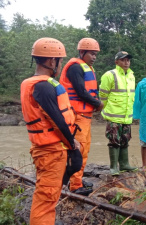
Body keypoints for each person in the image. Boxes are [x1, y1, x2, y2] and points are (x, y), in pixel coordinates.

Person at [21, 37, 81, 224]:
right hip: (50, 152)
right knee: (46, 198)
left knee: (49, 195)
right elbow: (57, 120)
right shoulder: (43, 87)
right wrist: (72, 143)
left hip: (49, 150)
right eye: (60, 60)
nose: (61, 64)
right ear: (51, 61)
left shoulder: (35, 83)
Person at [59, 37, 103, 196]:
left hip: (85, 116)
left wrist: (94, 103)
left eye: (96, 54)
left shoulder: (85, 67)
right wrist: (97, 103)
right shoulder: (75, 68)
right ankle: (75, 185)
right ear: (82, 52)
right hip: (77, 116)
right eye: (91, 53)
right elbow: (81, 91)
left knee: (85, 148)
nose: (94, 57)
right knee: (79, 149)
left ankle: (76, 179)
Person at [99, 51, 137, 175]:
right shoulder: (109, 75)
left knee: (125, 139)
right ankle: (113, 166)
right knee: (114, 140)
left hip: (126, 116)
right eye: (123, 60)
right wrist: (104, 111)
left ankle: (124, 164)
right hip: (113, 115)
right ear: (117, 62)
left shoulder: (131, 75)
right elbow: (103, 95)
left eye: (128, 60)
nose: (126, 62)